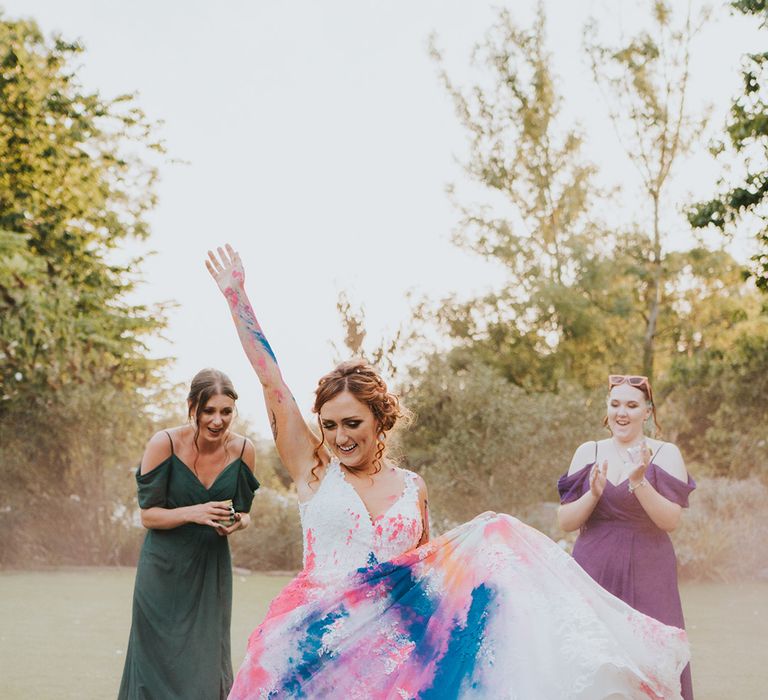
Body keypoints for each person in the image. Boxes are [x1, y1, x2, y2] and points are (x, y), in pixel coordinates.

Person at [208, 245, 690, 699]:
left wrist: (488, 550)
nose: (339, 436)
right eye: (329, 425)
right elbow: (271, 381)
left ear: (380, 421)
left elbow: (428, 573)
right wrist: (237, 298)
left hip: (395, 657)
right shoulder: (314, 470)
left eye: (352, 423)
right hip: (315, 644)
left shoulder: (411, 488)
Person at [118, 368, 260, 700]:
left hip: (211, 571)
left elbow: (246, 513)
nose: (217, 420)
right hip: (162, 572)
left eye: (226, 411)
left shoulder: (244, 451)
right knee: (155, 666)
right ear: (192, 406)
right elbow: (147, 516)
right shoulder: (164, 443)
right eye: (209, 410)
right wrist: (193, 513)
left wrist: (237, 522)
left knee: (207, 666)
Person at [557, 374, 696, 700]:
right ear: (607, 409)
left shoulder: (665, 454)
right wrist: (593, 494)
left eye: (632, 405)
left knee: (650, 666)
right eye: (615, 404)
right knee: (593, 665)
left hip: (650, 574)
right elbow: (565, 521)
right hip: (593, 572)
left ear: (647, 411)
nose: (622, 412)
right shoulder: (588, 451)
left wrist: (639, 481)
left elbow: (670, 520)